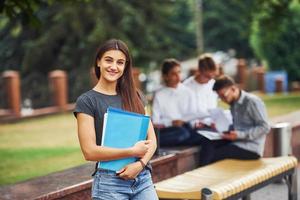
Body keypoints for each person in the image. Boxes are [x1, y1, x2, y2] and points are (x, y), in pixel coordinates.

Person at [74, 39, 158, 200]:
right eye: (108, 60)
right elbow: (89, 151)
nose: (114, 67)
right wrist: (132, 151)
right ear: (98, 62)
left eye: (120, 62)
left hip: (142, 179)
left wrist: (139, 165)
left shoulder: (137, 96)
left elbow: (152, 140)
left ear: (125, 66)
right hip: (109, 184)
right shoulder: (87, 101)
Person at [198, 75, 270, 166]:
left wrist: (238, 135)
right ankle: (200, 173)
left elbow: (264, 127)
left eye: (224, 96)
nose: (223, 100)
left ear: (233, 88)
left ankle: (203, 176)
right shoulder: (234, 104)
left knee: (215, 155)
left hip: (250, 148)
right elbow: (239, 126)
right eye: (220, 97)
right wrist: (220, 128)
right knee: (207, 142)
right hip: (237, 142)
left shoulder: (252, 102)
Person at [152, 58, 197, 146]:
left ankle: (156, 143)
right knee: (182, 133)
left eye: (179, 72)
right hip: (169, 129)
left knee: (196, 134)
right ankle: (154, 143)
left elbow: (193, 115)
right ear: (165, 76)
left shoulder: (188, 92)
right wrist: (170, 123)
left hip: (186, 127)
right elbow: (155, 122)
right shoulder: (159, 94)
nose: (178, 76)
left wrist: (184, 121)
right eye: (173, 73)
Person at [183, 53, 218, 128]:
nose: (209, 80)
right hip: (194, 126)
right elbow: (184, 113)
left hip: (212, 124)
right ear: (199, 71)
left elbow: (213, 109)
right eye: (207, 76)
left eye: (212, 76)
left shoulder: (213, 84)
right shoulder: (186, 87)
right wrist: (194, 123)